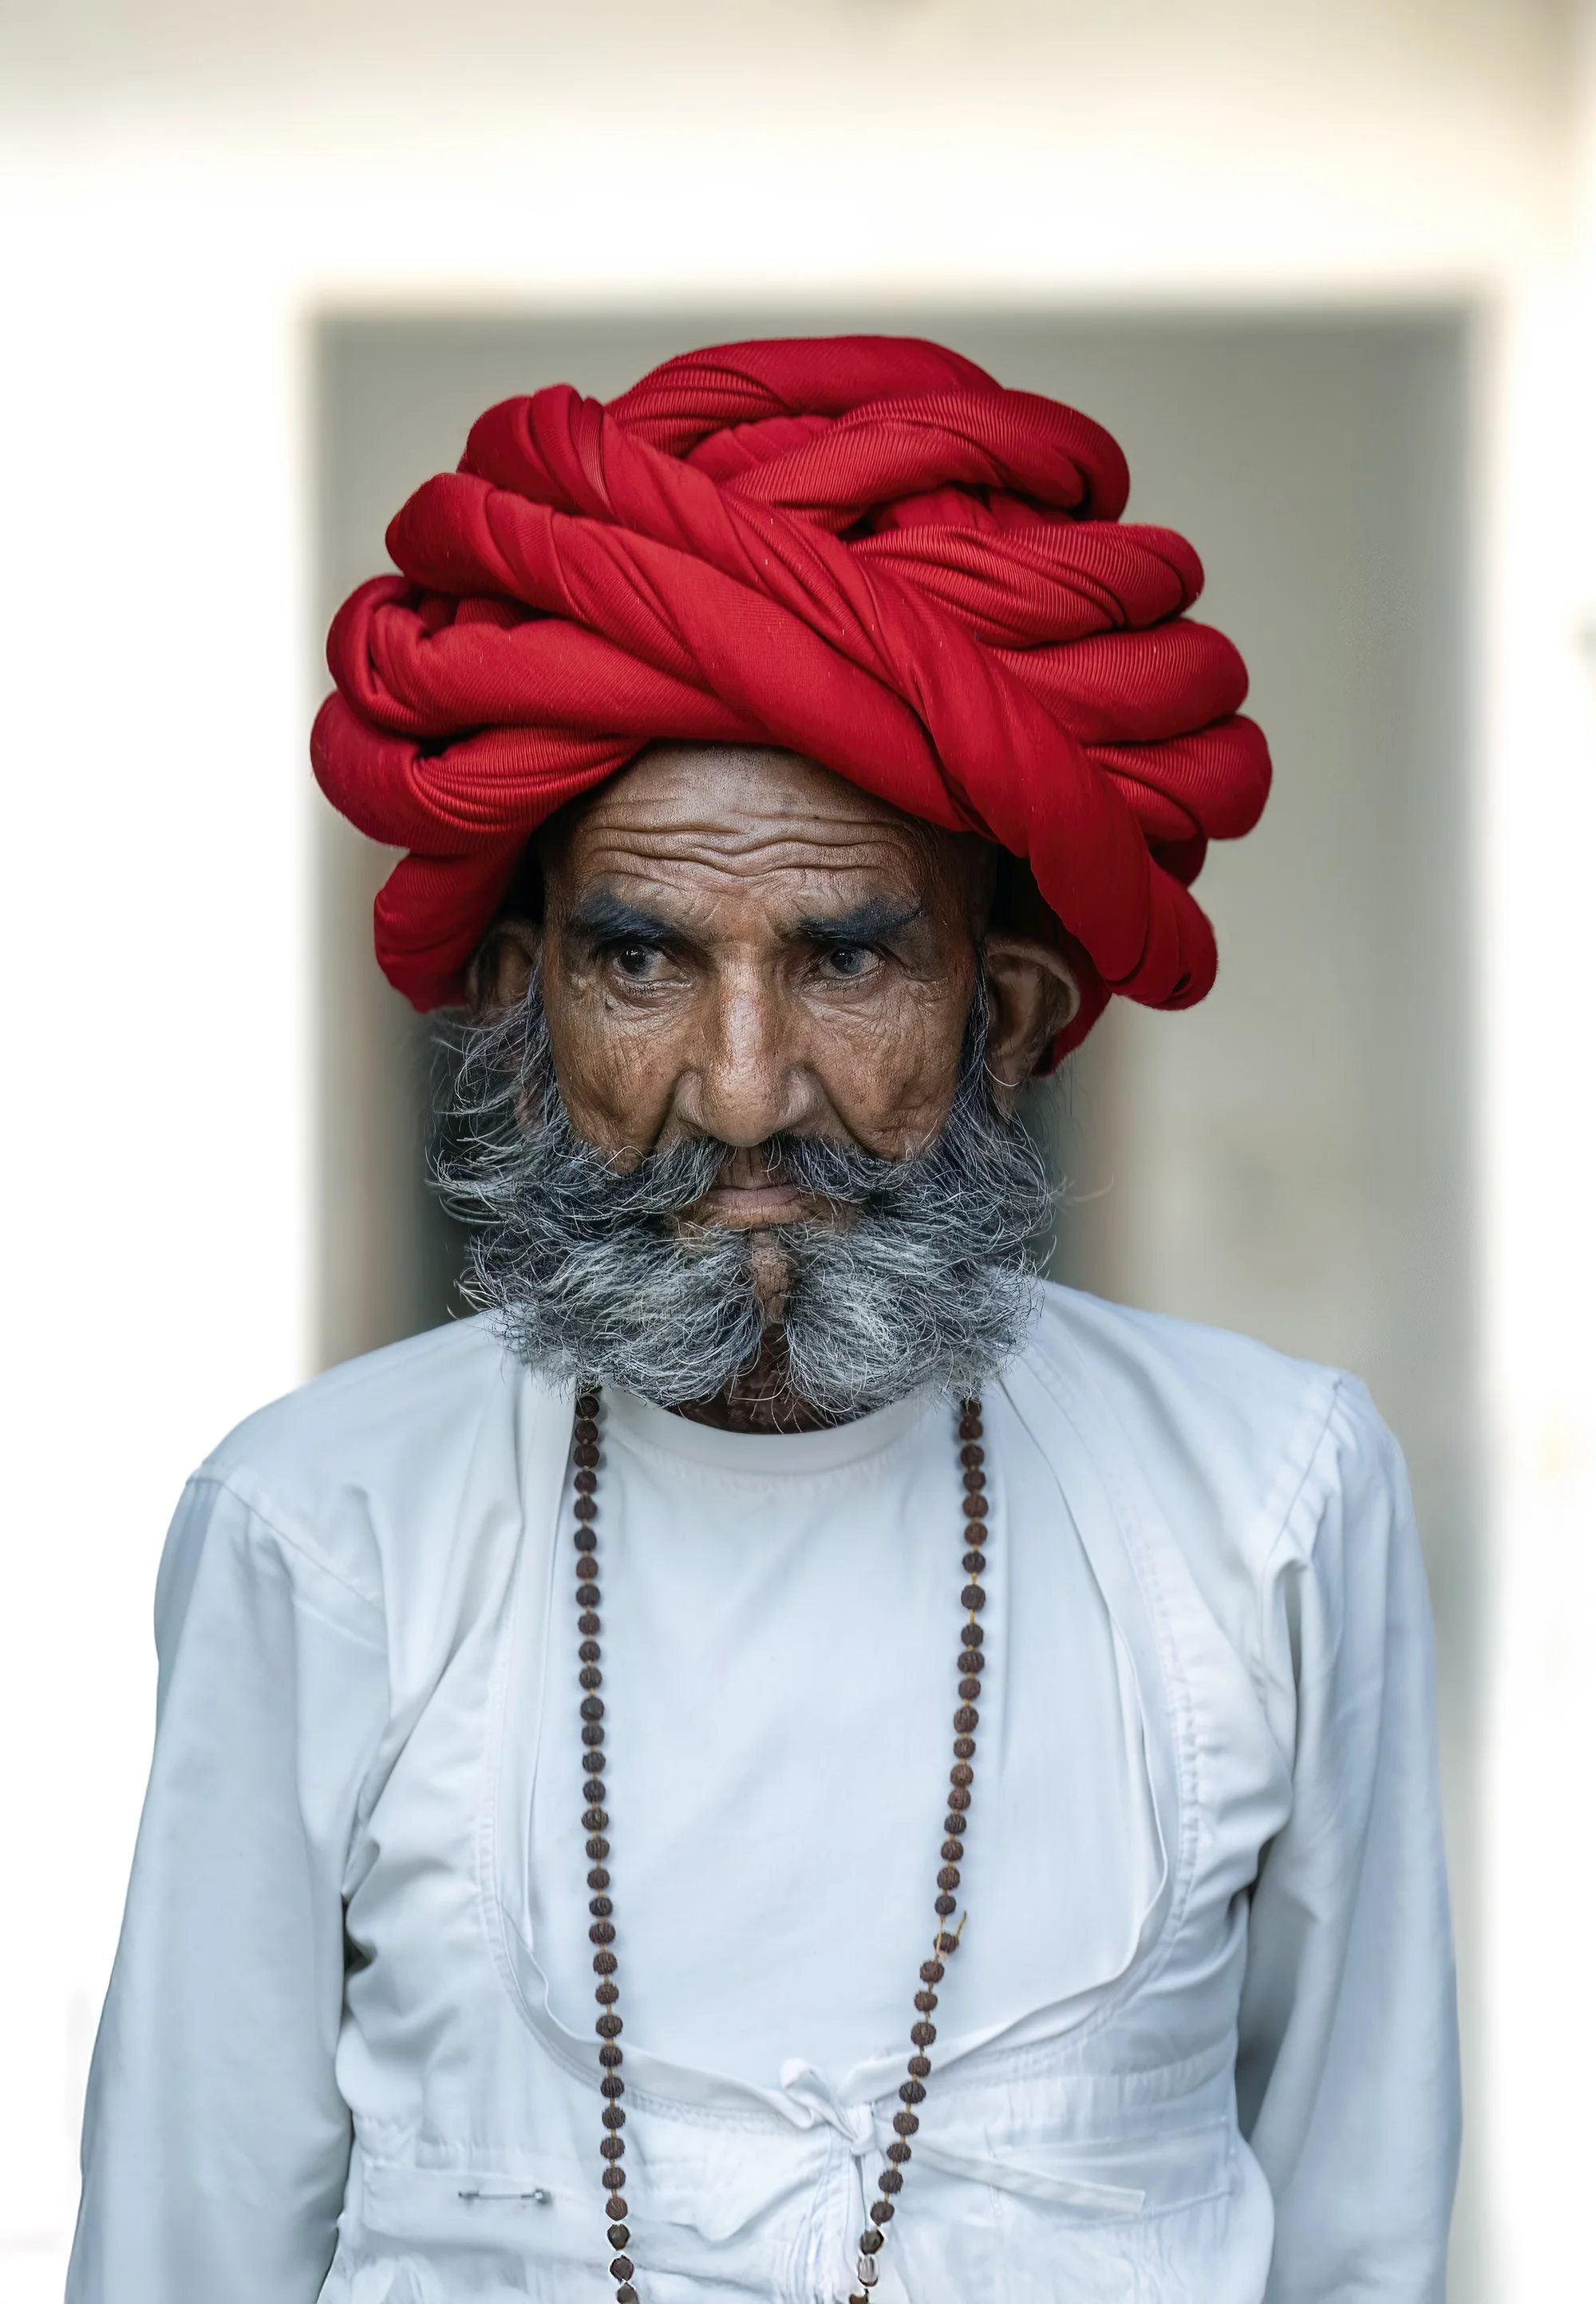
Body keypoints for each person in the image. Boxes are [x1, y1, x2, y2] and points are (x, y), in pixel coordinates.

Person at [68, 337, 1460, 2304]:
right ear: (529, 1011)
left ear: (1010, 1016)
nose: (742, 1087)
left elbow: (1361, 2229)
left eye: (847, 957)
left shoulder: (1270, 1497)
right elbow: (186, 2244)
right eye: (642, 959)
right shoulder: (322, 1523)